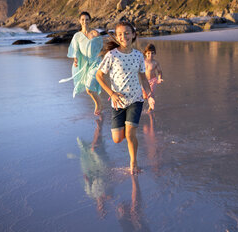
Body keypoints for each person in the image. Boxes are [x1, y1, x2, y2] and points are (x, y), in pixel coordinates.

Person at [96, 21, 155, 175]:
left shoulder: (138, 56)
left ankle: (133, 163)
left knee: (130, 134)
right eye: (120, 34)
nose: (124, 36)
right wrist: (111, 93)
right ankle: (128, 149)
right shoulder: (112, 55)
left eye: (127, 33)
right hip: (118, 101)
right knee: (117, 138)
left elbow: (143, 77)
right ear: (116, 37)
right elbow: (99, 75)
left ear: (133, 34)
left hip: (136, 99)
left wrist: (149, 96)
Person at [62, 12, 103, 115]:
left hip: (96, 63)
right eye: (83, 19)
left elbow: (100, 47)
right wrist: (75, 60)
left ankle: (98, 104)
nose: (85, 22)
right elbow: (75, 50)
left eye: (87, 19)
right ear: (80, 21)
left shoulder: (95, 33)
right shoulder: (77, 36)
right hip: (85, 64)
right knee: (88, 89)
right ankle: (99, 103)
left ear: (90, 20)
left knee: (89, 87)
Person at [142, 44, 163, 113]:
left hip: (153, 80)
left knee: (151, 94)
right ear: (145, 53)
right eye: (148, 53)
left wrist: (159, 78)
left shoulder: (155, 63)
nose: (150, 55)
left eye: (152, 53)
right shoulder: (142, 61)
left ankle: (150, 108)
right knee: (145, 96)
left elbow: (159, 71)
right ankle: (149, 103)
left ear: (155, 53)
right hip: (144, 81)